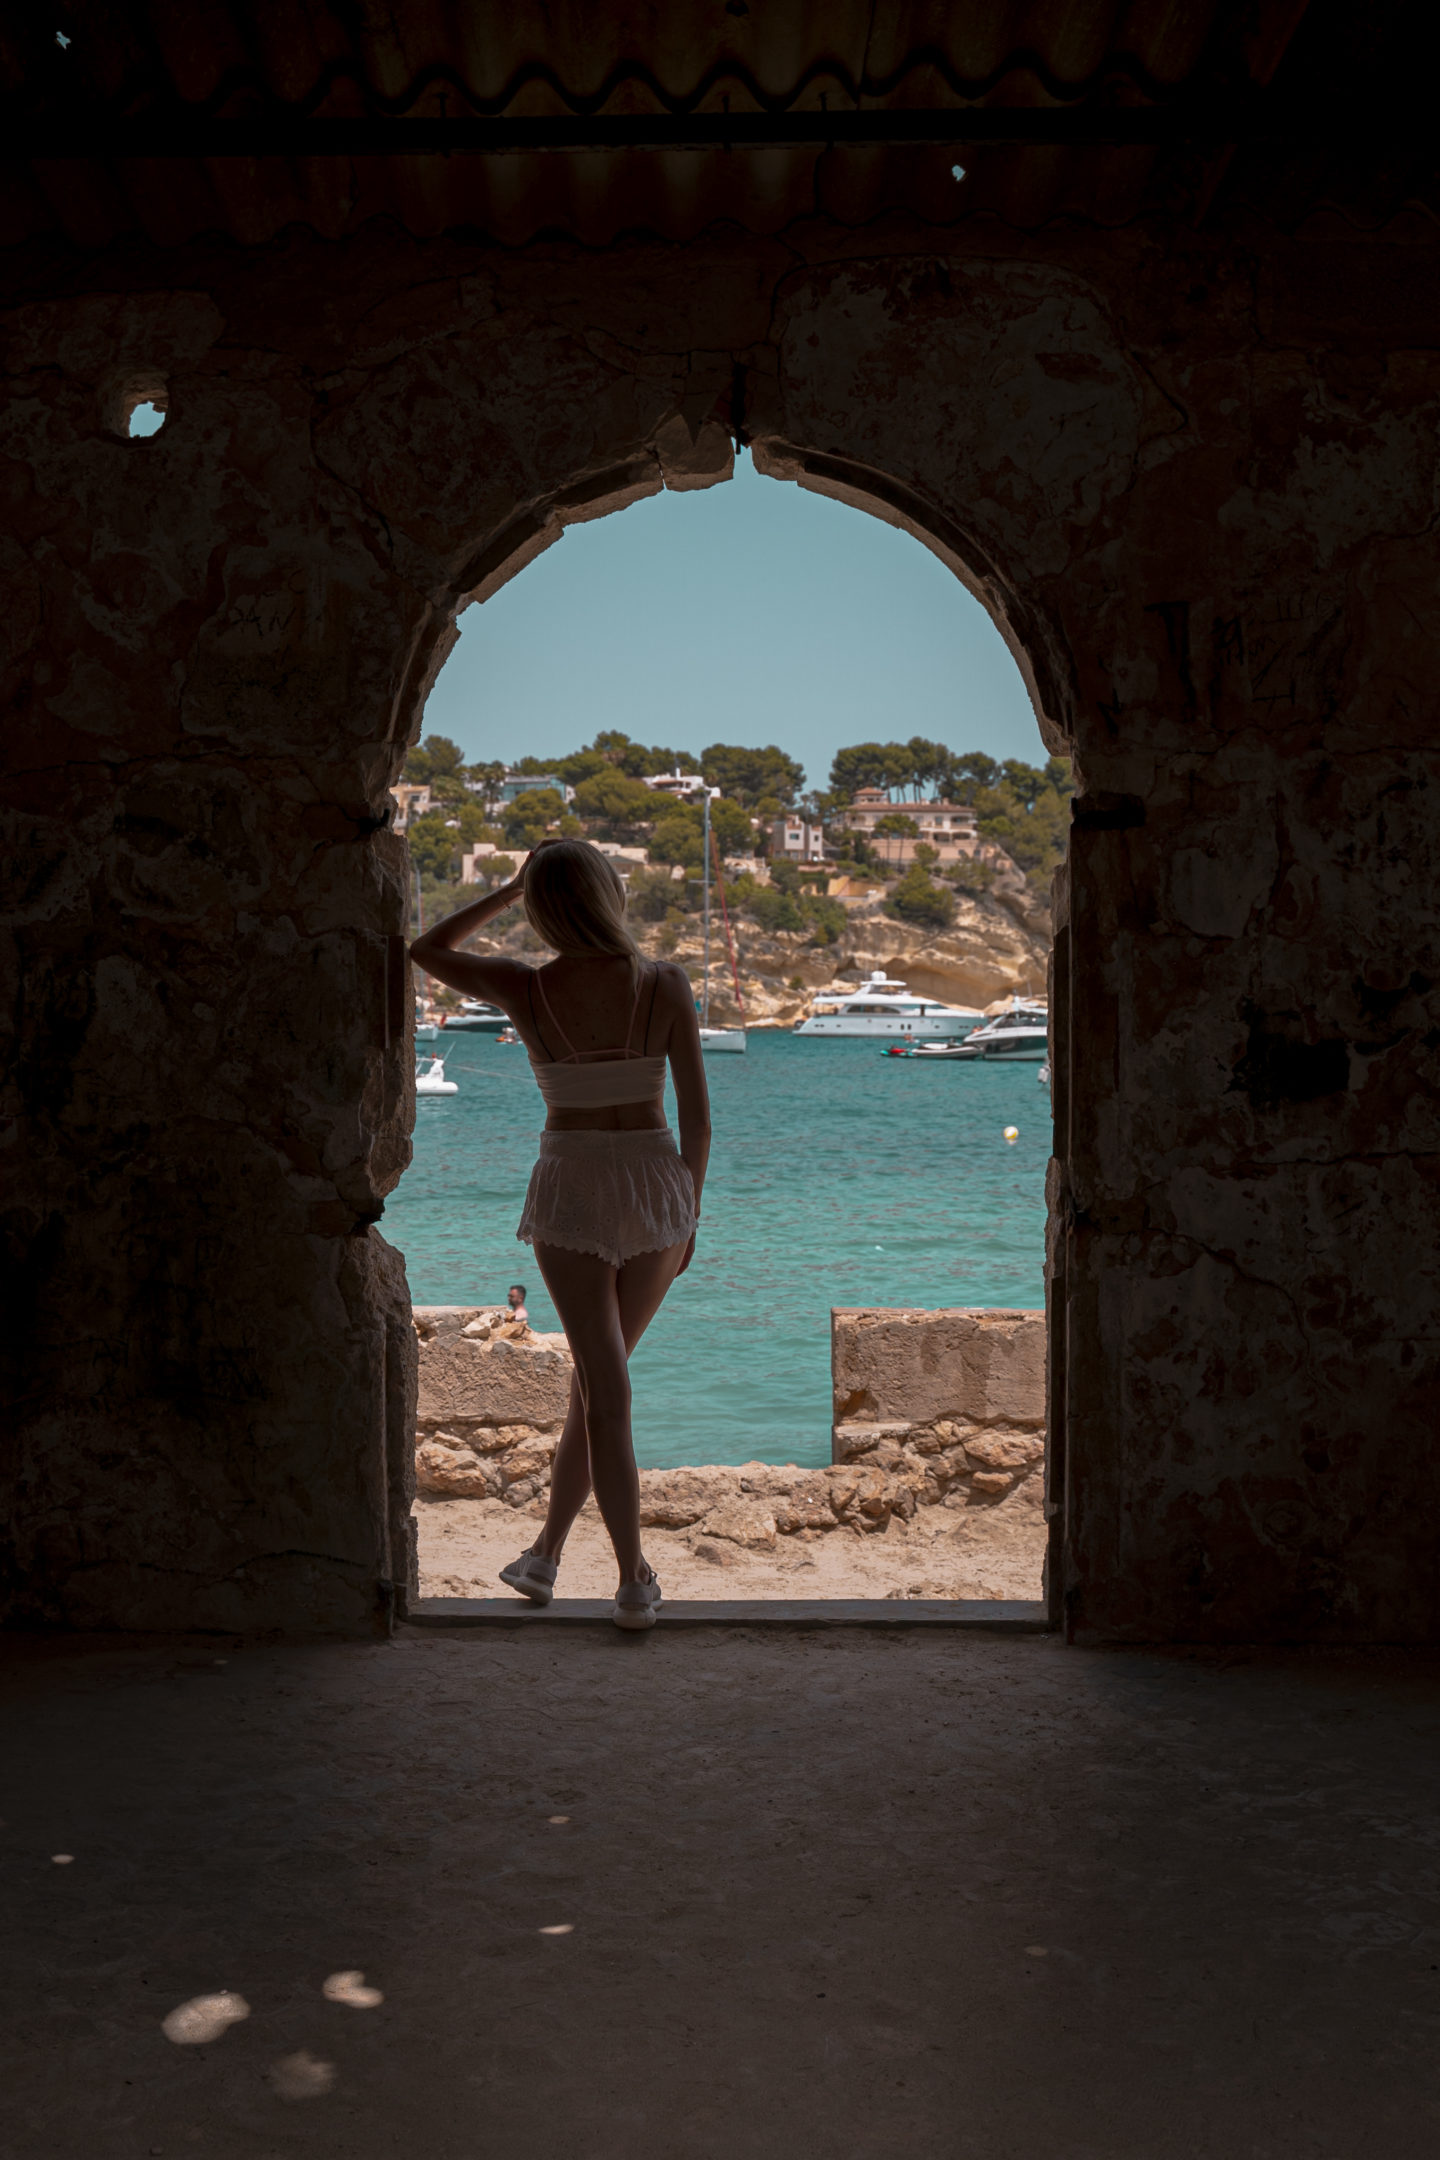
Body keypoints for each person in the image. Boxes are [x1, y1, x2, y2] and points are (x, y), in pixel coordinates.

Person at [410, 838, 710, 1631]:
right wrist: (691, 1213)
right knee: (598, 1386)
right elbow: (699, 1122)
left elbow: (426, 948)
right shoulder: (664, 984)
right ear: (610, 895)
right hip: (655, 1187)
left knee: (602, 1387)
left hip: (573, 1185)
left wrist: (508, 891)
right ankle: (547, 1555)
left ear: (544, 907)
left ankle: (630, 1579)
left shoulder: (524, 987)